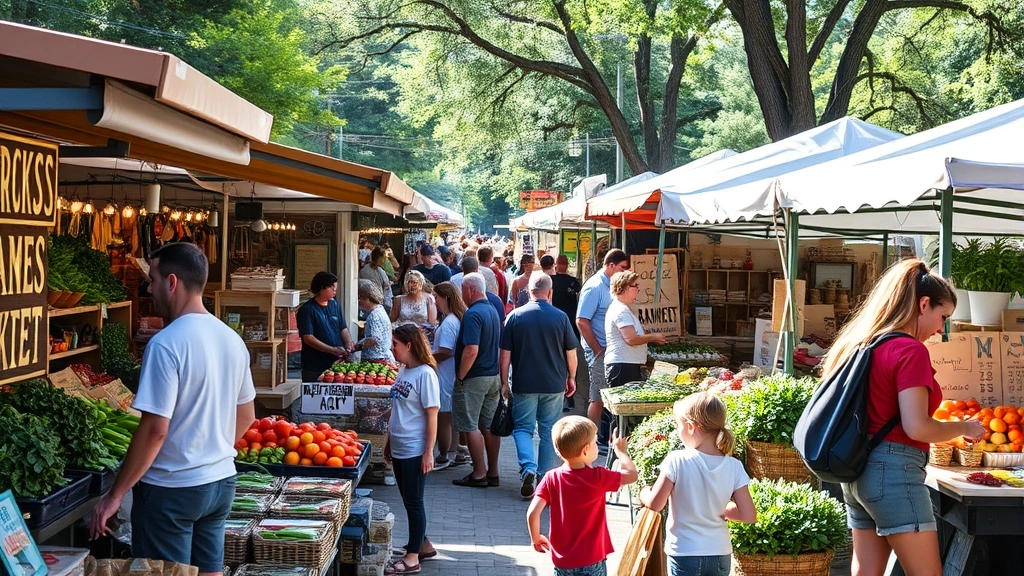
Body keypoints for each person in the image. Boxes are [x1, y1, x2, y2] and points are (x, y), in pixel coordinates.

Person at [89, 243, 256, 576]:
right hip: (221, 482)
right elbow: (247, 416)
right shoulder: (231, 339)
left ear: (172, 282)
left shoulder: (165, 344)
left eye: (152, 280)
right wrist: (209, 450)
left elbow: (155, 430)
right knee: (210, 571)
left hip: (172, 490)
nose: (149, 289)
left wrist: (114, 496)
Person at [820, 259, 984, 576]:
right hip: (893, 472)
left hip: (856, 471)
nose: (941, 329)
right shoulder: (910, 351)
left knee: (865, 572)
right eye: (943, 317)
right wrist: (964, 427)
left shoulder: (865, 343)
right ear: (924, 304)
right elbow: (917, 426)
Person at [639, 393, 757, 576]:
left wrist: (644, 492)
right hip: (720, 553)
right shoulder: (734, 465)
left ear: (691, 427)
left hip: (685, 553)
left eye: (678, 426)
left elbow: (655, 503)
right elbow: (748, 515)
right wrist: (725, 511)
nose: (677, 432)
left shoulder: (677, 460)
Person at [500, 272, 579, 499]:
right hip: (554, 383)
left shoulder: (515, 317)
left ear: (528, 291)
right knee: (548, 431)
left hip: (524, 383)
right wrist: (571, 377)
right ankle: (545, 479)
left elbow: (504, 355)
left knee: (522, 428)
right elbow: (571, 353)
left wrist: (504, 382)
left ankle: (528, 468)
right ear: (550, 292)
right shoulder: (561, 317)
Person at [527, 417, 637, 576]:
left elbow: (532, 513)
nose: (597, 445)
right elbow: (632, 475)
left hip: (562, 561)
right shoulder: (598, 477)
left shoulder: (551, 477)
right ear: (586, 450)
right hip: (591, 560)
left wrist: (535, 538)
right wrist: (621, 452)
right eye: (595, 442)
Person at [384, 324, 441, 575]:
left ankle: (412, 557)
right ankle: (422, 544)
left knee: (414, 501)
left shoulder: (425, 374)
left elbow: (432, 415)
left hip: (414, 448)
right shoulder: (404, 370)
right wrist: (388, 440)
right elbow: (398, 408)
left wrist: (428, 451)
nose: (392, 348)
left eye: (395, 344)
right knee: (408, 500)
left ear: (409, 345)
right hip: (399, 445)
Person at [451, 273, 503, 488]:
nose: (461, 294)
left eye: (462, 290)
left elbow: (471, 349)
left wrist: (460, 376)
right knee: (489, 426)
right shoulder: (492, 309)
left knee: (470, 425)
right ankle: (493, 471)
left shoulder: (472, 314)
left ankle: (479, 473)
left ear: (471, 290)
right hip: (492, 376)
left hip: (475, 377)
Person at [577, 249, 630, 440]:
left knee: (608, 397)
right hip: (600, 351)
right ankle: (591, 439)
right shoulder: (595, 287)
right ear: (610, 266)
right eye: (623, 267)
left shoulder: (613, 286)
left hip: (611, 350)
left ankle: (603, 438)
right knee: (598, 398)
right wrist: (597, 349)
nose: (625, 271)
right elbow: (581, 321)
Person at [605, 271, 667, 388]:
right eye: (635, 286)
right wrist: (653, 337)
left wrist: (651, 337)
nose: (638, 289)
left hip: (627, 365)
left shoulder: (623, 308)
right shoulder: (621, 310)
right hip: (623, 366)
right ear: (624, 288)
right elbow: (631, 339)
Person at [431, 282, 467, 469]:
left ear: (445, 298)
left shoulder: (449, 323)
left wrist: (426, 357)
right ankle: (454, 452)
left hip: (445, 374)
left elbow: (445, 351)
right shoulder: (454, 319)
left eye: (436, 297)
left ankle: (444, 455)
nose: (435, 301)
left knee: (443, 417)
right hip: (450, 373)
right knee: (451, 416)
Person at [297, 271, 355, 382]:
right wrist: (331, 350)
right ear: (322, 288)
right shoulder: (307, 309)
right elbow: (308, 338)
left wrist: (348, 343)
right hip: (315, 365)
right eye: (332, 288)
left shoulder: (334, 304)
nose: (335, 290)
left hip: (337, 363)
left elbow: (343, 327)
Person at [357, 280, 394, 363]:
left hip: (377, 359)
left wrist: (359, 345)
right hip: (381, 357)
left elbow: (375, 339)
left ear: (364, 298)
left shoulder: (374, 315)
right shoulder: (380, 309)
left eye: (359, 298)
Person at [360, 246, 394, 312]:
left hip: (365, 304)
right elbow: (387, 291)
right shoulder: (381, 272)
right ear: (382, 259)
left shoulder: (363, 271)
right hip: (379, 305)